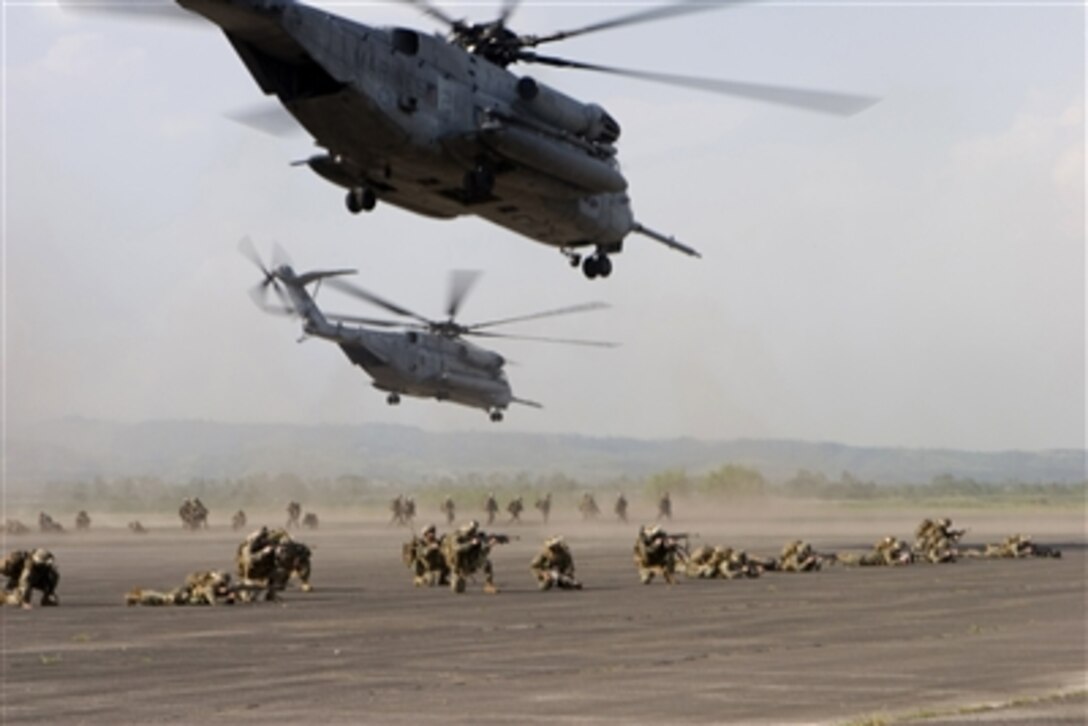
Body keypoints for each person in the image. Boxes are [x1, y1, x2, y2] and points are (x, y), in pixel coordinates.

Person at [443, 520, 507, 594]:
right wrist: (471, 543)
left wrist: (490, 544)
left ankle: (489, 584)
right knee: (458, 588)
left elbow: (482, 551)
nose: (473, 533)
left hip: (470, 561)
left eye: (473, 531)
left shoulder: (476, 537)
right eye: (471, 531)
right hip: (458, 563)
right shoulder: (456, 537)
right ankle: (456, 577)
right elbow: (457, 548)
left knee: (487, 563)